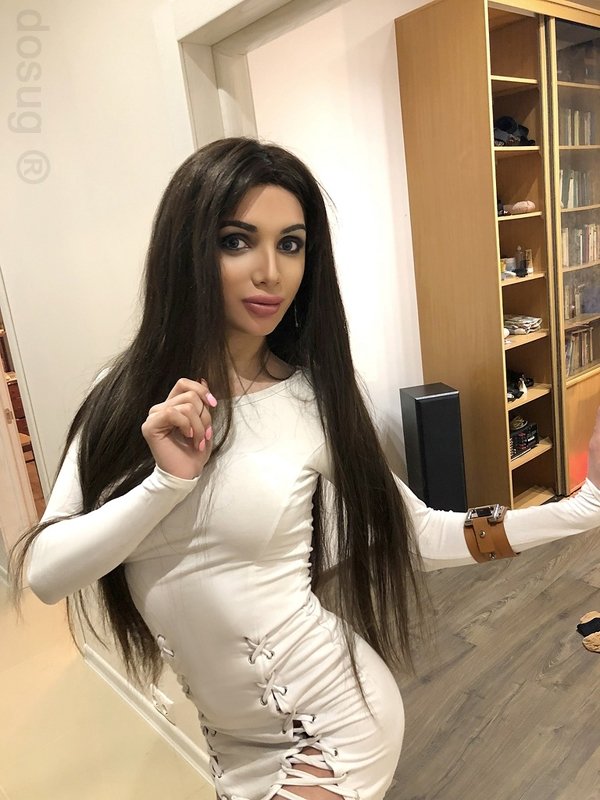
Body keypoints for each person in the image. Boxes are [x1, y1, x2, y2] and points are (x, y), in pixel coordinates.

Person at [9, 137, 600, 800]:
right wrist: (165, 485)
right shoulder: (120, 396)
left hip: (331, 730)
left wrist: (584, 508)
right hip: (230, 749)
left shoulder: (311, 401)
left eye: (290, 244)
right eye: (238, 241)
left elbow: (420, 533)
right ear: (187, 249)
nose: (271, 272)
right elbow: (47, 575)